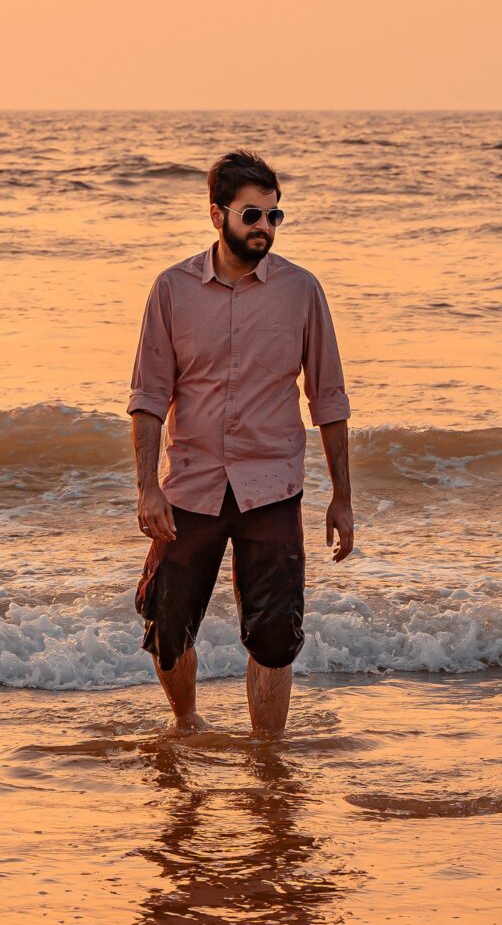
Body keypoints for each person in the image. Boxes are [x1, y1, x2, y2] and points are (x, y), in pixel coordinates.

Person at [127, 151, 355, 739]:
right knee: (167, 626)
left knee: (274, 637)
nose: (264, 227)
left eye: (274, 216)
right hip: (190, 487)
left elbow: (328, 398)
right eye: (252, 214)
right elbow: (148, 397)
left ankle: (267, 753)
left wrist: (342, 497)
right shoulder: (172, 289)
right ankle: (186, 724)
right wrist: (147, 487)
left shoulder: (301, 291)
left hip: (272, 487)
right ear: (217, 214)